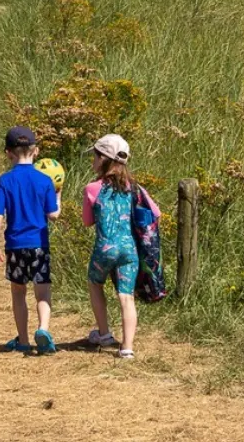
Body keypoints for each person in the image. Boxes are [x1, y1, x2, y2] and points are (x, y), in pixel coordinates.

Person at [82, 133, 158, 359]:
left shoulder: (92, 188)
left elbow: (87, 222)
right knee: (126, 297)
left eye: (95, 157)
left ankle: (104, 334)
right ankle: (127, 347)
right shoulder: (134, 188)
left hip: (104, 248)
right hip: (129, 250)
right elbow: (156, 214)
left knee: (95, 282)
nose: (93, 161)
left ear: (104, 159)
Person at [0, 126, 59, 355]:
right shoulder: (44, 181)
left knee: (18, 293)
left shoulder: (5, 180)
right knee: (43, 292)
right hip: (39, 243)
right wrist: (58, 194)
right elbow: (53, 214)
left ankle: (24, 340)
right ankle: (43, 329)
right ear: (36, 151)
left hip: (15, 245)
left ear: (8, 152)